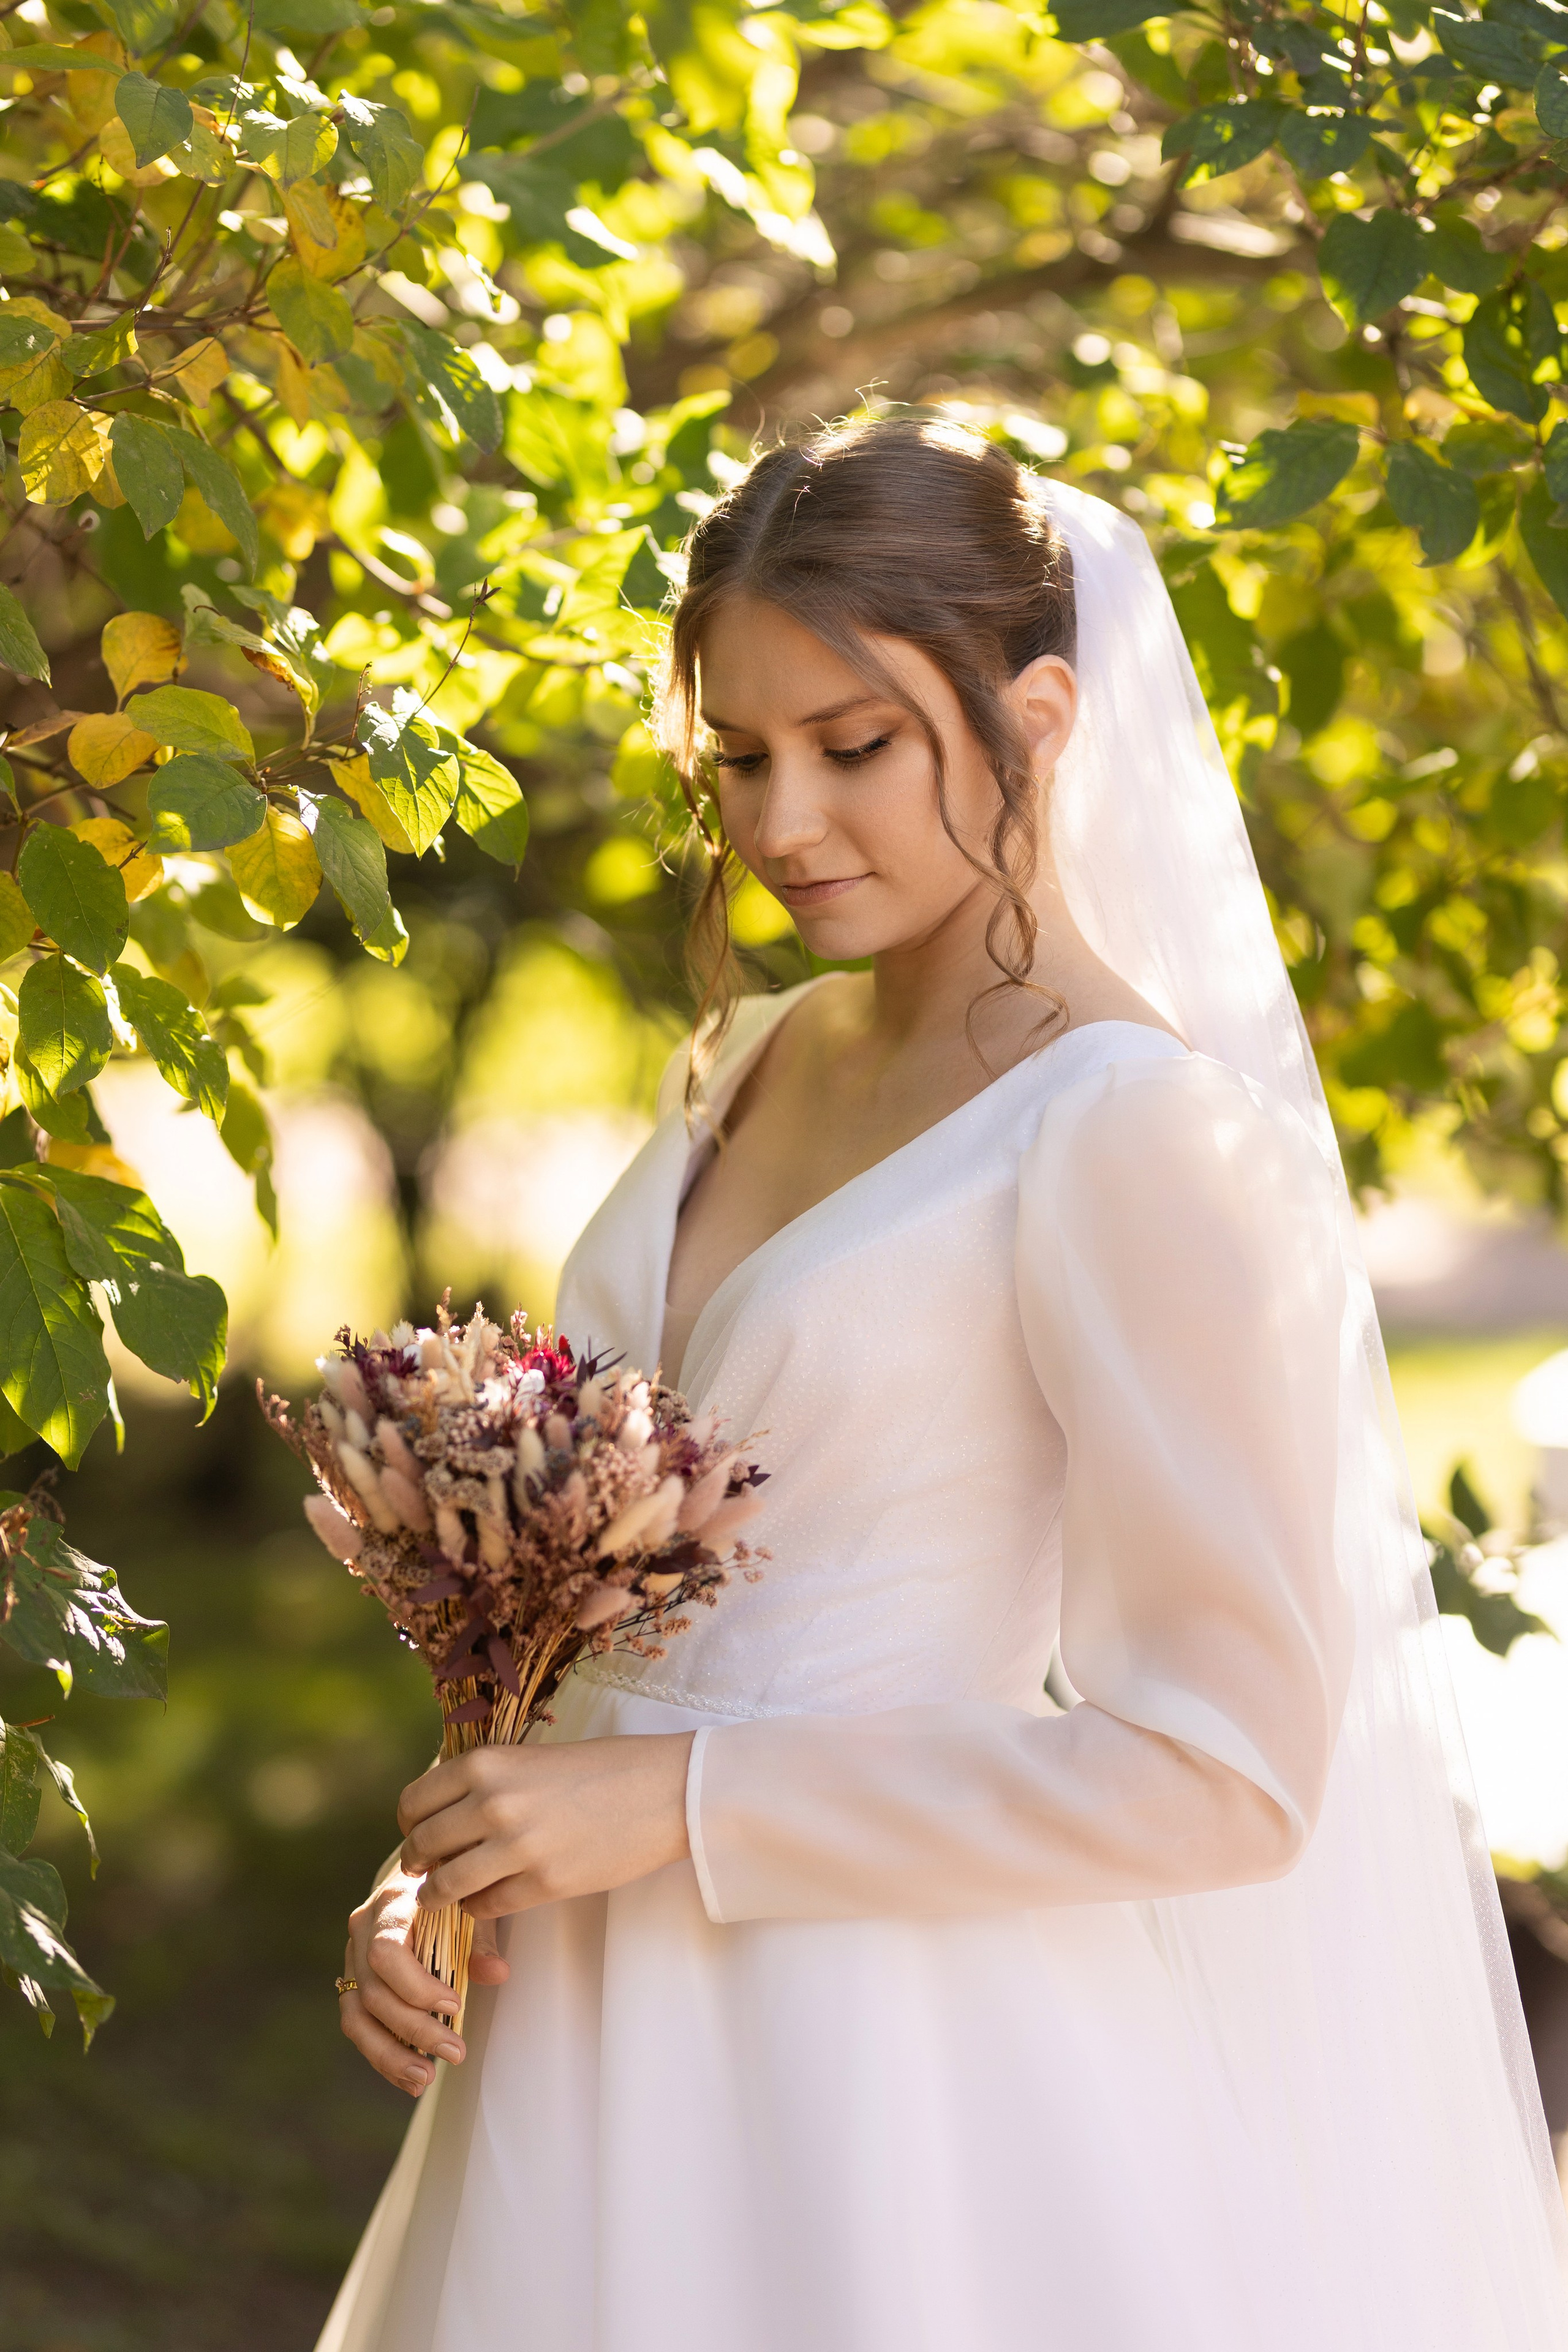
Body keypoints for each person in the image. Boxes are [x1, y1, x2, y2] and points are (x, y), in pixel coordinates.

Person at [318, 418, 1568, 2352]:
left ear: (1039, 719)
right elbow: (609, 1599)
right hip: (570, 2035)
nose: (783, 821)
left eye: (856, 745)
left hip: (893, 2072)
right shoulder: (746, 1056)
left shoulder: (1134, 1133)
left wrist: (683, 1807)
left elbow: (1226, 1777)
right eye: (740, 756)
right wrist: (451, 1862)